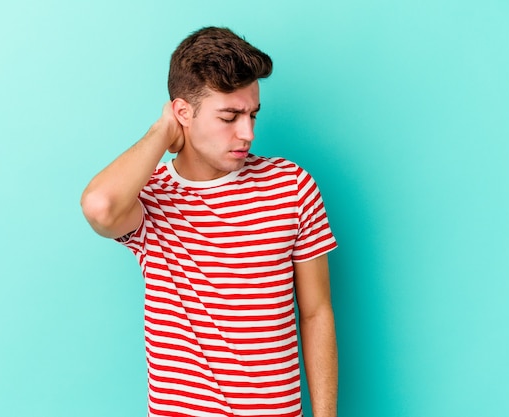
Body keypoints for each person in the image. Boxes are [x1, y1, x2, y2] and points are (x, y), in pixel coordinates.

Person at [81, 26, 338, 417]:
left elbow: (317, 311)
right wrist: (162, 130)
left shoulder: (291, 186)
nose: (247, 132)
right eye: (229, 116)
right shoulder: (150, 197)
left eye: (252, 114)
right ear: (184, 111)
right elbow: (100, 207)